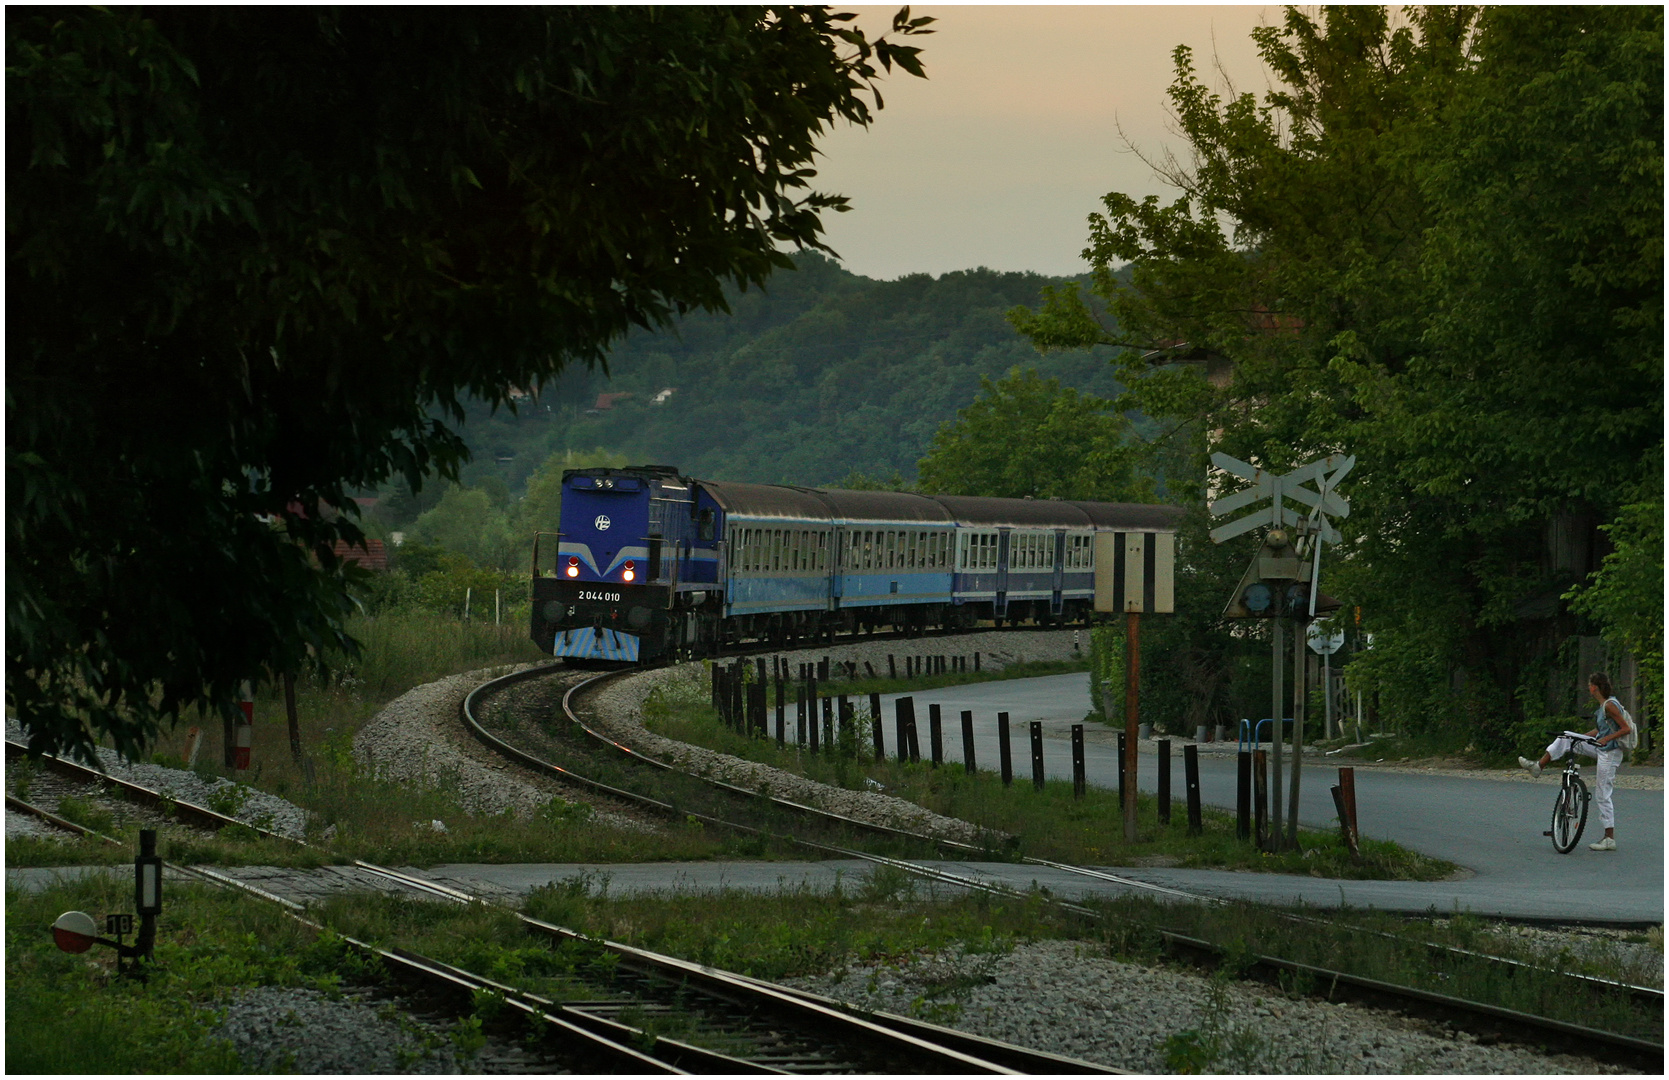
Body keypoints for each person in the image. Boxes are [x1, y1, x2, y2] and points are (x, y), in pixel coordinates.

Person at [1520, 672, 1634, 850]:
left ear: (1594, 687)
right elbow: (1599, 731)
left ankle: (1609, 838)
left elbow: (1625, 729)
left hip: (1610, 752)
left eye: (1590, 685)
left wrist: (1607, 738)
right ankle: (1538, 766)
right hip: (1601, 747)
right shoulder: (1604, 705)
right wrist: (1579, 737)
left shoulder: (1610, 705)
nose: (1589, 688)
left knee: (1603, 793)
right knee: (1566, 738)